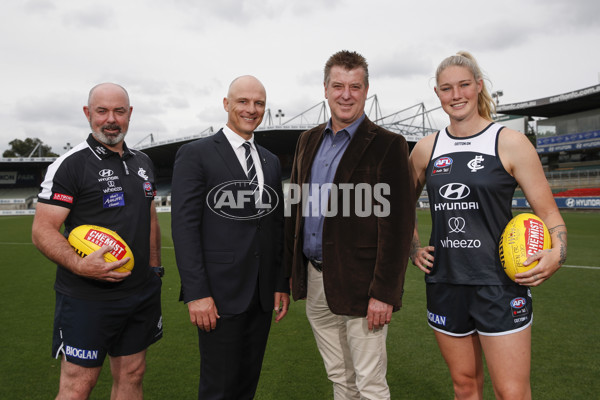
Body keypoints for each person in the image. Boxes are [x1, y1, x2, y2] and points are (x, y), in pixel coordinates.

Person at [409, 51, 568, 399]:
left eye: (464, 85)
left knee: (511, 392)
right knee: (465, 387)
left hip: (499, 284)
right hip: (445, 283)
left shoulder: (509, 142)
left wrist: (558, 253)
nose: (456, 95)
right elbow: (400, 208)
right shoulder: (425, 149)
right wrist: (414, 248)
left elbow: (550, 213)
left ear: (478, 87)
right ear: (437, 93)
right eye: (447, 88)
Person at [284, 50, 415, 399]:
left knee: (370, 383)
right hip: (315, 280)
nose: (346, 94)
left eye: (354, 87)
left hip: (363, 285)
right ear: (325, 89)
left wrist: (384, 293)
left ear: (366, 89)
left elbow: (399, 226)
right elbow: (295, 211)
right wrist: (288, 275)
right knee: (340, 378)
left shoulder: (389, 145)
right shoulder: (307, 140)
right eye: (338, 86)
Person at [31, 83, 164, 400]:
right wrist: (80, 264)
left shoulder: (143, 162)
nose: (111, 119)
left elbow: (150, 219)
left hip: (139, 293)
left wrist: (155, 271)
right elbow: (42, 230)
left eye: (119, 111)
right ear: (88, 114)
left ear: (129, 114)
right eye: (102, 111)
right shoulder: (71, 164)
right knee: (79, 385)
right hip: (86, 296)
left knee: (132, 375)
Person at [171, 75, 289, 399]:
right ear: (226, 104)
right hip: (219, 294)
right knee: (218, 388)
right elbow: (184, 228)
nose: (251, 109)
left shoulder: (271, 160)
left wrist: (280, 282)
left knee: (245, 385)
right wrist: (196, 293)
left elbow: (275, 226)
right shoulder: (196, 154)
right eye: (243, 101)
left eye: (259, 103)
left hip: (262, 294)